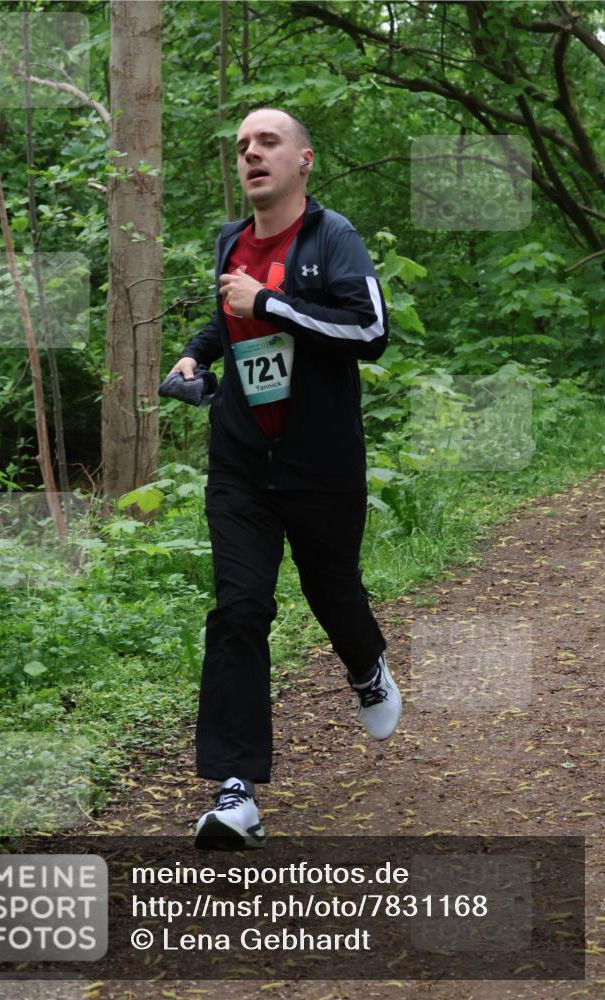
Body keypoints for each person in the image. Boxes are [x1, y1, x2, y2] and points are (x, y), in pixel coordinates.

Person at [168, 108, 401, 850]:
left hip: (319, 460)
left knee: (333, 591)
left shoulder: (330, 238)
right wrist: (195, 356)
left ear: (303, 159)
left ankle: (365, 667)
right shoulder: (230, 242)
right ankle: (234, 792)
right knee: (239, 609)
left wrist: (268, 303)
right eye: (241, 146)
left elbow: (367, 331)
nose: (250, 153)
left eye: (266, 141)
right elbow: (229, 323)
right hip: (240, 460)